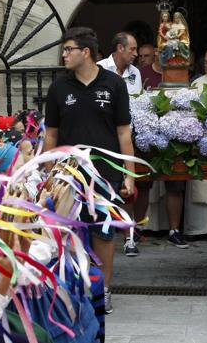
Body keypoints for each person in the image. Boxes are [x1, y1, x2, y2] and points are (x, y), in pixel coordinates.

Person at [44, 27, 136, 314]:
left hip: (105, 175)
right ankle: (73, 289)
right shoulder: (59, 87)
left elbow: (124, 133)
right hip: (67, 176)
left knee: (104, 235)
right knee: (68, 235)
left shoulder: (114, 85)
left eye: (68, 49)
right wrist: (48, 173)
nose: (64, 55)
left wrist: (129, 174)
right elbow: (51, 135)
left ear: (85, 52)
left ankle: (103, 290)